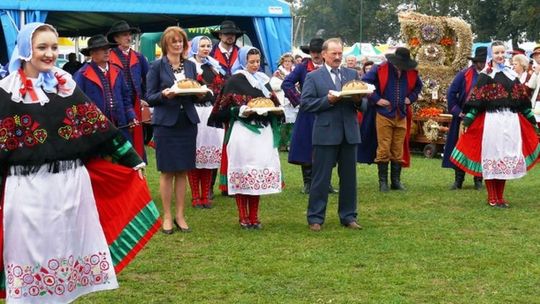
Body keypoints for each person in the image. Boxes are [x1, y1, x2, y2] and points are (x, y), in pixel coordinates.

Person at [0, 22, 160, 303]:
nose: (49, 54)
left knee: (67, 252)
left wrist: (130, 157)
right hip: (28, 191)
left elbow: (98, 128)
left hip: (72, 187)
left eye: (53, 47)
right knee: (30, 255)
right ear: (25, 50)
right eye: (42, 47)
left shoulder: (66, 88)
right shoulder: (6, 92)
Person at [450, 41, 539, 207]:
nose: (500, 55)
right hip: (493, 121)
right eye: (496, 53)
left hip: (510, 121)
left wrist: (532, 121)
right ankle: (492, 197)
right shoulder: (486, 75)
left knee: (505, 157)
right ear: (492, 55)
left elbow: (522, 101)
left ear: (505, 54)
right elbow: (476, 101)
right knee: (493, 157)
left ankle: (500, 197)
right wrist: (468, 119)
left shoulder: (512, 75)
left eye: (502, 52)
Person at [209, 46, 283, 229]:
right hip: (242, 133)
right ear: (243, 61)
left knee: (257, 173)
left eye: (258, 61)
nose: (255, 65)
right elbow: (219, 112)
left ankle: (254, 217)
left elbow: (276, 105)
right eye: (251, 62)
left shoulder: (263, 82)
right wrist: (238, 110)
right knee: (243, 173)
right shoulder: (234, 81)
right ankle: (243, 217)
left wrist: (272, 112)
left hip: (262, 134)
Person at [301, 38, 364, 232]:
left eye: (340, 53)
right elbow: (306, 104)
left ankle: (348, 216)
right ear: (324, 54)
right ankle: (315, 217)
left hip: (349, 133)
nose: (338, 57)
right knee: (321, 178)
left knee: (349, 178)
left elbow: (364, 105)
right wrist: (327, 101)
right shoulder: (314, 77)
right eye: (334, 54)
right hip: (325, 133)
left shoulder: (352, 74)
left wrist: (357, 100)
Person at [146, 26, 200, 233]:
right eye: (174, 42)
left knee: (183, 171)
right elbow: (149, 96)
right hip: (166, 124)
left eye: (181, 41)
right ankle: (167, 216)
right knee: (167, 171)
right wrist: (164, 95)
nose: (178, 45)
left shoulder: (191, 66)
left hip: (187, 122)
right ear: (166, 45)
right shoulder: (156, 66)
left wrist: (200, 94)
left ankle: (180, 215)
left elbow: (193, 89)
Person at [360, 47, 423, 192]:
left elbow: (418, 87)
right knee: (384, 147)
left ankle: (396, 181)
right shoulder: (380, 68)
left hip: (401, 114)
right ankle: (383, 182)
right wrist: (376, 99)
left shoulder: (411, 72)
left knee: (397, 148)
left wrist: (411, 98)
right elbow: (364, 83)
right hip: (384, 114)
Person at [282, 37, 338, 194]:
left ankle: (325, 182)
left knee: (328, 146)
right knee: (307, 146)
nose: (315, 55)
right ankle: (308, 182)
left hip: (327, 110)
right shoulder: (302, 67)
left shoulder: (331, 67)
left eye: (318, 52)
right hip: (308, 113)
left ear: (324, 53)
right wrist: (299, 100)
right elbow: (286, 83)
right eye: (312, 52)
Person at [187, 35, 225, 209]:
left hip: (210, 111)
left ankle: (205, 194)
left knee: (210, 154)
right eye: (202, 45)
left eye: (208, 45)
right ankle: (195, 195)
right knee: (196, 153)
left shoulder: (214, 66)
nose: (206, 48)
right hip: (196, 111)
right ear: (195, 47)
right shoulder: (189, 66)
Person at [74, 34, 137, 142]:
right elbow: (76, 104)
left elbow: (126, 97)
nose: (107, 52)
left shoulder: (117, 71)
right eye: (102, 49)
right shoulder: (82, 75)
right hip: (96, 131)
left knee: (123, 157)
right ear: (92, 53)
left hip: (121, 126)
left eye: (108, 49)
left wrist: (131, 115)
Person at [442, 46, 487, 190]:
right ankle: (458, 180)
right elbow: (451, 94)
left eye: (484, 61)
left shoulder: (490, 75)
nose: (482, 63)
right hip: (464, 117)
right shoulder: (463, 74)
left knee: (480, 148)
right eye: (480, 61)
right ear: (475, 62)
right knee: (460, 147)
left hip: (482, 118)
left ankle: (478, 179)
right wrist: (458, 112)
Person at [107, 20, 149, 159]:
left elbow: (148, 80)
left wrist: (145, 99)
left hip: (135, 104)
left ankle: (137, 169)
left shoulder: (138, 57)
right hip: (115, 105)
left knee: (136, 141)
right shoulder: (108, 57)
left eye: (129, 34)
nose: (129, 38)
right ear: (116, 38)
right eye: (125, 35)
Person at [270, 53, 296, 151]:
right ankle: (281, 144)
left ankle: (291, 144)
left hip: (293, 100)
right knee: (283, 122)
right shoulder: (278, 73)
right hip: (283, 99)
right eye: (286, 61)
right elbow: (272, 85)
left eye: (289, 61)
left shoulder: (295, 71)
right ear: (282, 62)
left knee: (293, 123)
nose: (287, 63)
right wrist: (285, 85)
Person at [527, 45, 540, 126]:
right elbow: (531, 86)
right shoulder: (536, 69)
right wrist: (536, 73)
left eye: (538, 54)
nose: (537, 57)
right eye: (535, 55)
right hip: (536, 104)